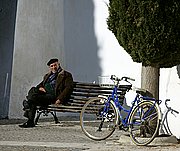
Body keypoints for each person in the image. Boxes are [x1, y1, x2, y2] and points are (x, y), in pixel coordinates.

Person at [19, 58, 74, 128]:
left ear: (58, 64)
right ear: (49, 67)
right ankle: (30, 118)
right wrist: (40, 88)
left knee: (33, 99)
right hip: (44, 95)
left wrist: (60, 99)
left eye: (55, 65)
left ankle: (28, 107)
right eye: (52, 66)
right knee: (33, 89)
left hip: (53, 96)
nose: (54, 67)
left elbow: (68, 88)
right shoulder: (48, 76)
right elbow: (40, 84)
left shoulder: (66, 75)